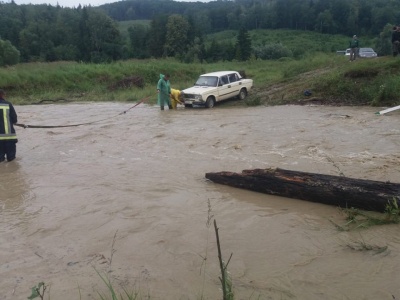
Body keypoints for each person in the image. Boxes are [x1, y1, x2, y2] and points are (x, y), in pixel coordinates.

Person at [0, 89, 18, 162]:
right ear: (2, 95)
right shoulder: (8, 104)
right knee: (11, 160)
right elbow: (14, 119)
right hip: (10, 136)